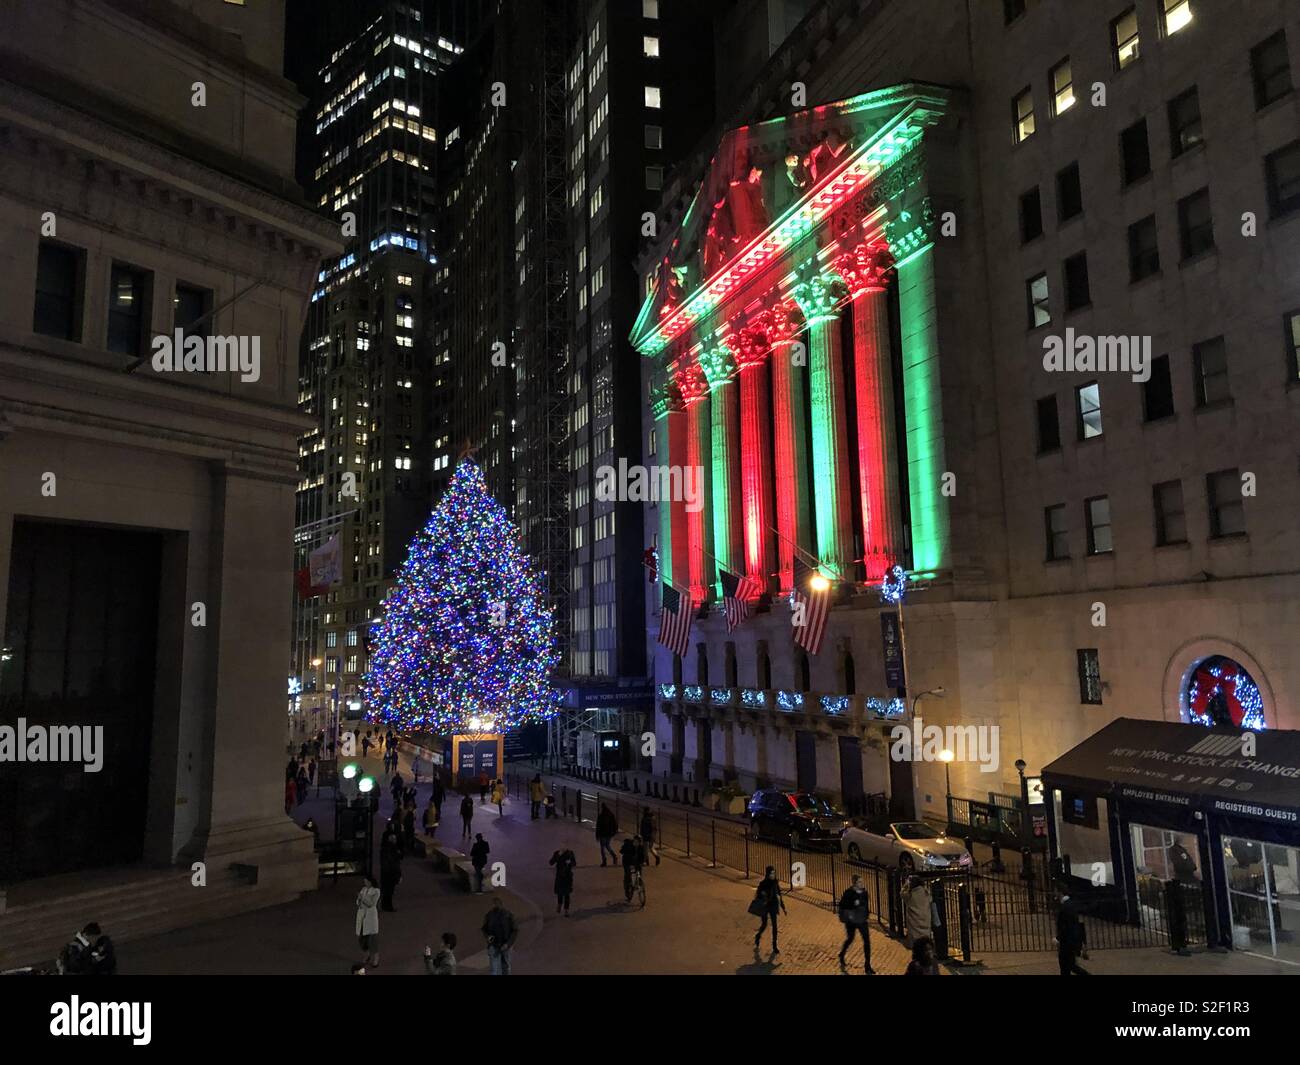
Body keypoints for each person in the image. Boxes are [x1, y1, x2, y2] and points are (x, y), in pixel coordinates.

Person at [837, 874, 873, 973]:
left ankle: (867, 965)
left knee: (867, 942)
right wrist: (853, 904)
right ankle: (842, 954)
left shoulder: (864, 893)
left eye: (862, 882)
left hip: (862, 921)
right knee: (850, 938)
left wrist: (866, 914)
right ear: (855, 883)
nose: (862, 884)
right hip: (851, 921)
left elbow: (865, 905)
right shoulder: (849, 893)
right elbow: (842, 905)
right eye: (859, 882)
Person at [751, 866, 786, 953]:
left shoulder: (775, 882)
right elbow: (758, 895)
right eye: (771, 873)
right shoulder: (763, 883)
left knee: (775, 926)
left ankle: (774, 945)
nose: (773, 875)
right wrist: (763, 894)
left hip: (773, 905)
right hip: (765, 906)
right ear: (767, 874)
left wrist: (783, 907)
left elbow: (779, 894)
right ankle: (758, 935)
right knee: (764, 924)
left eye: (774, 873)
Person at [482, 897, 518, 976]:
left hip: (505, 945)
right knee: (495, 968)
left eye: (496, 905)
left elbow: (514, 931)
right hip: (494, 945)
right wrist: (488, 937)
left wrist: (508, 944)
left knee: (504, 966)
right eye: (494, 905)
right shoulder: (489, 915)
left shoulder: (509, 915)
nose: (495, 906)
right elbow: (484, 929)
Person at [1055, 893, 1089, 975]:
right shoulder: (1070, 905)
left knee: (1068, 965)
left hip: (1067, 942)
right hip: (1071, 940)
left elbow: (1066, 926)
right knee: (1067, 966)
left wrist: (1058, 938)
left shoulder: (1065, 907)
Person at [355, 877, 381, 969]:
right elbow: (358, 902)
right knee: (361, 938)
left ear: (370, 882)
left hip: (370, 918)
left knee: (372, 939)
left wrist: (362, 898)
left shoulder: (376, 891)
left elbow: (371, 904)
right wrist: (359, 900)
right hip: (361, 916)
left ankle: (376, 958)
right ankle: (367, 954)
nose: (365, 883)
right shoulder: (363, 889)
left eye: (366, 881)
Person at [903, 875, 933, 948]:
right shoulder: (926, 892)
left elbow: (902, 893)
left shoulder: (910, 895)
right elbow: (930, 900)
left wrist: (906, 884)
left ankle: (916, 946)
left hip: (914, 920)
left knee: (915, 937)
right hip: (925, 918)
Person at [379, 828, 403, 912]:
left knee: (387, 890)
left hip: (387, 873)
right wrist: (397, 874)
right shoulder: (391, 849)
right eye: (394, 839)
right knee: (389, 891)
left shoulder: (385, 848)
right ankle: (388, 906)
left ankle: (385, 905)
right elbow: (394, 863)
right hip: (390, 873)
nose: (395, 840)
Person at [550, 847, 577, 915]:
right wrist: (556, 857)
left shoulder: (570, 854)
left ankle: (566, 909)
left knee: (567, 894)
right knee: (560, 892)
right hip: (560, 876)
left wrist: (570, 863)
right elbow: (551, 862)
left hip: (567, 877)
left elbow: (574, 863)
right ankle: (559, 904)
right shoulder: (557, 853)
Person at [620, 834, 647, 902]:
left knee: (639, 872)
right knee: (628, 875)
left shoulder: (641, 847)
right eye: (636, 841)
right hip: (627, 862)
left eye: (639, 842)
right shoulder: (629, 845)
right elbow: (623, 852)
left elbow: (643, 856)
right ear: (634, 841)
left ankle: (639, 883)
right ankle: (627, 890)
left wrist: (642, 862)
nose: (637, 843)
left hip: (636, 862)